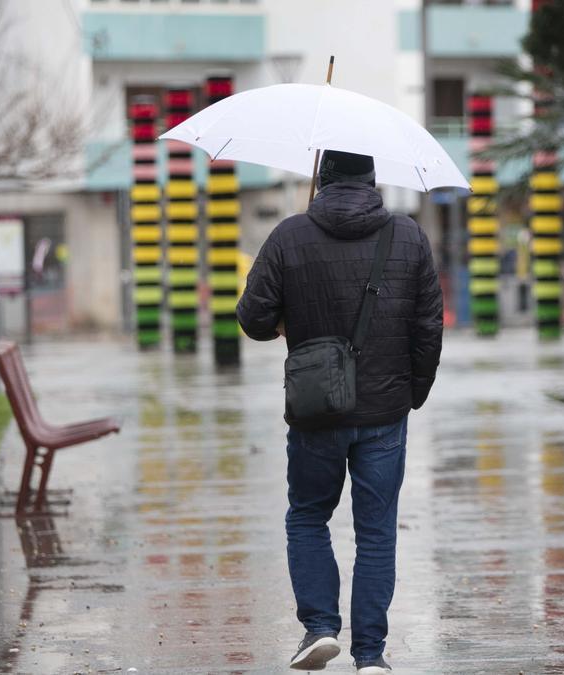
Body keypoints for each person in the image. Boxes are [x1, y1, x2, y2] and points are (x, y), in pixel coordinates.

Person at [237, 150, 443, 674]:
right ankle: (370, 656)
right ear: (372, 181)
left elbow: (253, 319)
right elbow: (428, 327)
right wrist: (411, 394)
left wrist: (289, 318)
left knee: (308, 515)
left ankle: (319, 628)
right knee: (376, 530)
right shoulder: (408, 236)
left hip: (316, 408)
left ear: (322, 180)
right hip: (385, 410)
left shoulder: (290, 235)